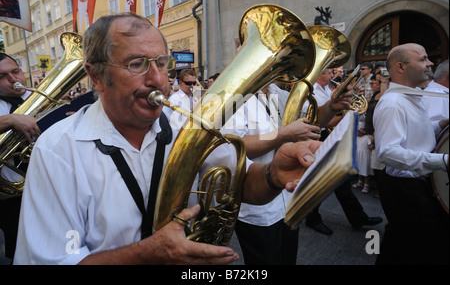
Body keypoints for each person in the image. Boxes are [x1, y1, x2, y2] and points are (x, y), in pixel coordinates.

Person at [13, 13, 323, 265]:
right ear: (96, 76)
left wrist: (273, 175)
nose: (157, 79)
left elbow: (239, 184)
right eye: (136, 64)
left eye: (162, 63)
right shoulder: (57, 149)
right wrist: (148, 255)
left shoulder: (181, 125)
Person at [222, 82, 324, 265]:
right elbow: (234, 148)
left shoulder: (279, 92)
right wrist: (283, 134)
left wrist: (334, 106)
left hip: (289, 197)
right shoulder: (233, 95)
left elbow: (312, 120)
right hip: (258, 206)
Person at [373, 43, 449, 265]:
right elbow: (387, 152)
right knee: (414, 247)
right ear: (401, 67)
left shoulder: (411, 96)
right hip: (406, 190)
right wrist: (443, 160)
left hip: (416, 186)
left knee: (404, 244)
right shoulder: (393, 103)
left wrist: (440, 126)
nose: (430, 63)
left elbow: (414, 137)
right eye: (423, 59)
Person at [304, 68, 383, 235]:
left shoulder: (329, 89)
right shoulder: (310, 93)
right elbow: (323, 121)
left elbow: (339, 110)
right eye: (328, 72)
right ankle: (312, 217)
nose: (332, 75)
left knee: (340, 181)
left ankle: (357, 218)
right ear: (318, 74)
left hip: (333, 139)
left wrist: (352, 95)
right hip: (319, 138)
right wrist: (350, 113)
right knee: (321, 181)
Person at [0, 53, 41, 260]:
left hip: (48, 185)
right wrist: (10, 120)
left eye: (16, 72)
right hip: (13, 197)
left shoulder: (40, 97)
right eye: (3, 76)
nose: (13, 79)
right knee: (21, 250)